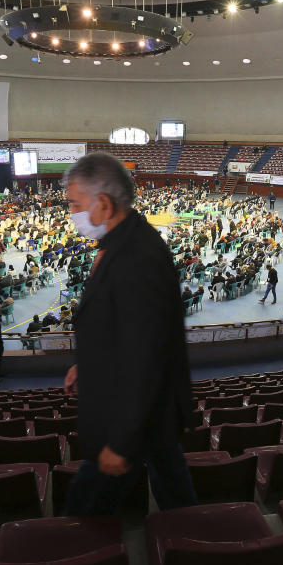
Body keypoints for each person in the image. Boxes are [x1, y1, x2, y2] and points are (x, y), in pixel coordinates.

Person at [61, 152, 197, 516]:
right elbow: (123, 329)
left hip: (130, 415)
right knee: (171, 481)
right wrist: (87, 365)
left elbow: (146, 357)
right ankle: (193, 543)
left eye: (74, 204)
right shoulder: (124, 240)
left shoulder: (137, 258)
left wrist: (119, 443)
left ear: (103, 204)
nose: (70, 213)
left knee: (85, 509)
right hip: (146, 411)